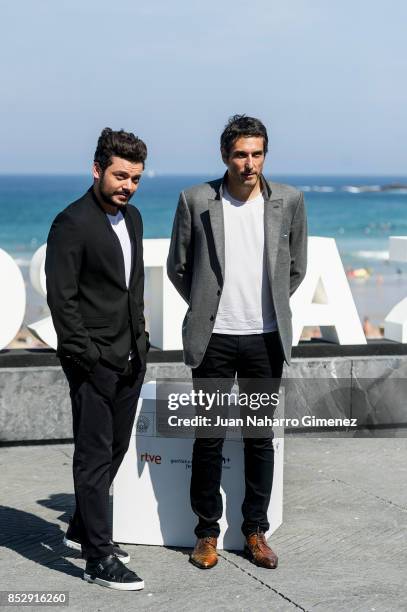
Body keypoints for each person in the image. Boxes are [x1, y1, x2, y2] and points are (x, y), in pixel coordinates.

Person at [167, 115, 308, 570]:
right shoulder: (195, 200)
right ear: (225, 155)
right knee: (208, 438)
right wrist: (209, 305)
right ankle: (206, 533)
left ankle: (255, 531)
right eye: (241, 154)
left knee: (259, 439)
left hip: (265, 339)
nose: (249, 163)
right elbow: (178, 266)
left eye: (257, 153)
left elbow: (296, 267)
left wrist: (268, 309)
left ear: (265, 154)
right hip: (214, 339)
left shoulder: (289, 200)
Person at [45, 128, 149, 590]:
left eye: (136, 178)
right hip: (93, 361)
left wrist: (140, 340)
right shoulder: (71, 223)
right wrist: (86, 355)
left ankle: (84, 528)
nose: (127, 185)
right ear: (97, 170)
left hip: (130, 356)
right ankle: (98, 558)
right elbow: (61, 299)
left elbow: (133, 288)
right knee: (92, 457)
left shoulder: (135, 219)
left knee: (115, 448)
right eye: (120, 175)